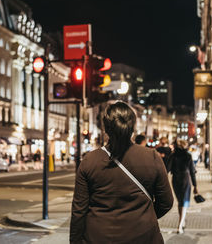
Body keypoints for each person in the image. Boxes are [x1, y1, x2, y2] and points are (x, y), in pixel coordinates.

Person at [70, 101, 173, 244]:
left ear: (106, 128)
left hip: (99, 236)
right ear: (132, 127)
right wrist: (143, 217)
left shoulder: (90, 161)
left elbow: (79, 211)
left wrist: (74, 241)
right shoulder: (152, 157)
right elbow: (166, 202)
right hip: (143, 236)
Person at [169, 139, 198, 234]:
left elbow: (167, 169)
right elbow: (192, 172)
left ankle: (182, 220)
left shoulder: (173, 156)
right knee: (184, 202)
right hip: (185, 180)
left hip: (175, 180)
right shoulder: (188, 156)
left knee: (180, 202)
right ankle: (180, 225)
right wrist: (195, 185)